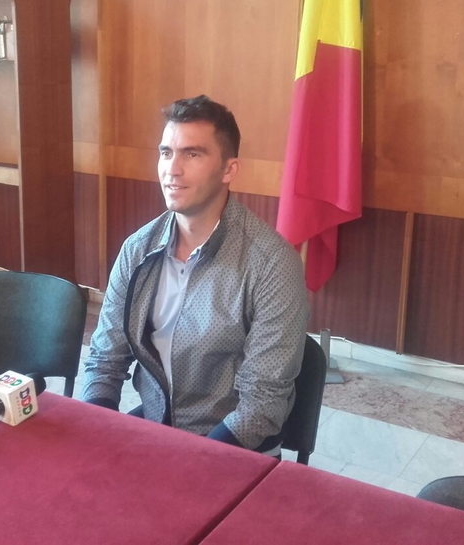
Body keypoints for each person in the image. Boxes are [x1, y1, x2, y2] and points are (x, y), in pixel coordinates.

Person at [81, 95, 310, 455]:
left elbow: (262, 403)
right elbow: (105, 359)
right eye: (166, 152)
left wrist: (192, 463)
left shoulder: (272, 263)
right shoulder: (138, 248)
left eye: (192, 154)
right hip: (159, 434)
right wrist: (97, 432)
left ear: (229, 170)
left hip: (235, 451)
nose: (172, 169)